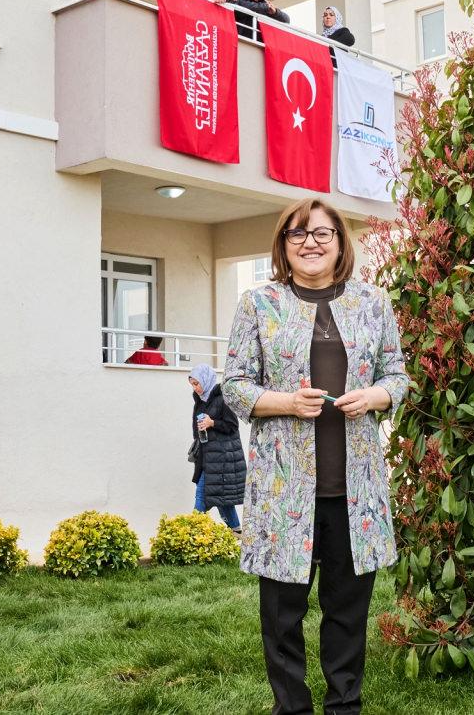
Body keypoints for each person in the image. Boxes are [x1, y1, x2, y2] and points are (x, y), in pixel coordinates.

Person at [223, 198, 408, 715]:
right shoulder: (258, 303)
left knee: (347, 613)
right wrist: (286, 402)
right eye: (298, 234)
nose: (310, 243)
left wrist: (376, 396)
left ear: (340, 242)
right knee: (282, 616)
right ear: (283, 244)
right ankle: (292, 709)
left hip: (355, 492)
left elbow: (397, 375)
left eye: (322, 233)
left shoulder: (373, 303)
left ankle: (344, 707)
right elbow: (234, 385)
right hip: (284, 491)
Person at [189, 364, 244, 532]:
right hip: (206, 458)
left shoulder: (223, 398)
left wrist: (212, 423)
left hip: (222, 460)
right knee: (222, 501)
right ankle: (237, 532)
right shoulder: (199, 401)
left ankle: (192, 534)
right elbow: (197, 430)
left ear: (206, 380)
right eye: (192, 384)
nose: (195, 387)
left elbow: (232, 425)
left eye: (197, 383)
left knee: (202, 496)